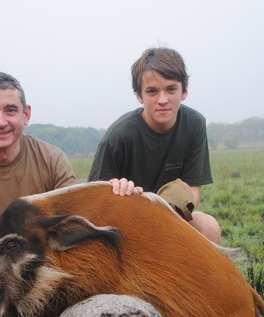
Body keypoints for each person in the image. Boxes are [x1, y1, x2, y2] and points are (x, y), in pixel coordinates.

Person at [0, 72, 138, 273]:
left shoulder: (52, 159)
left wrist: (113, 193)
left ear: (26, 114)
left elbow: (76, 220)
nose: (0, 121)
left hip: (42, 267)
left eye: (10, 110)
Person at [88, 47, 221, 243]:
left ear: (184, 91)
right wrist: (116, 190)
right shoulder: (119, 136)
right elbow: (94, 202)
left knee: (208, 227)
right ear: (139, 96)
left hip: (172, 217)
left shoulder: (194, 124)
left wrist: (163, 217)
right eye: (152, 91)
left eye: (170, 89)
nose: (163, 100)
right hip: (125, 224)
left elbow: (193, 190)